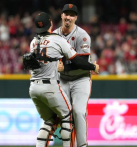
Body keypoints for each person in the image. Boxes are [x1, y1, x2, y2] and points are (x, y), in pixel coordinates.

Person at [23, 12, 99, 147]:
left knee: (49, 121)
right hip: (50, 86)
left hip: (33, 88)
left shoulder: (33, 42)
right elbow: (77, 61)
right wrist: (92, 66)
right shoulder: (57, 39)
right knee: (68, 117)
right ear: (50, 23)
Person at [53, 4, 97, 147]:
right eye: (66, 14)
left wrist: (63, 66)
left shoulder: (82, 35)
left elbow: (82, 62)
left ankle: (82, 145)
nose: (68, 17)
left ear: (76, 18)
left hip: (81, 79)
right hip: (63, 80)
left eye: (72, 15)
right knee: (64, 115)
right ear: (61, 15)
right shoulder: (54, 35)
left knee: (78, 111)